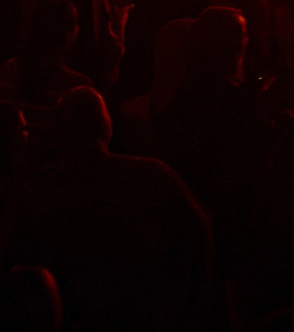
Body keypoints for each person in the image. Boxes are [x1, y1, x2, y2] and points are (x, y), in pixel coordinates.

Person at [3, 87, 217, 330]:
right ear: (106, 126)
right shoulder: (154, 176)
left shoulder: (39, 195)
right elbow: (199, 235)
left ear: (61, 131)